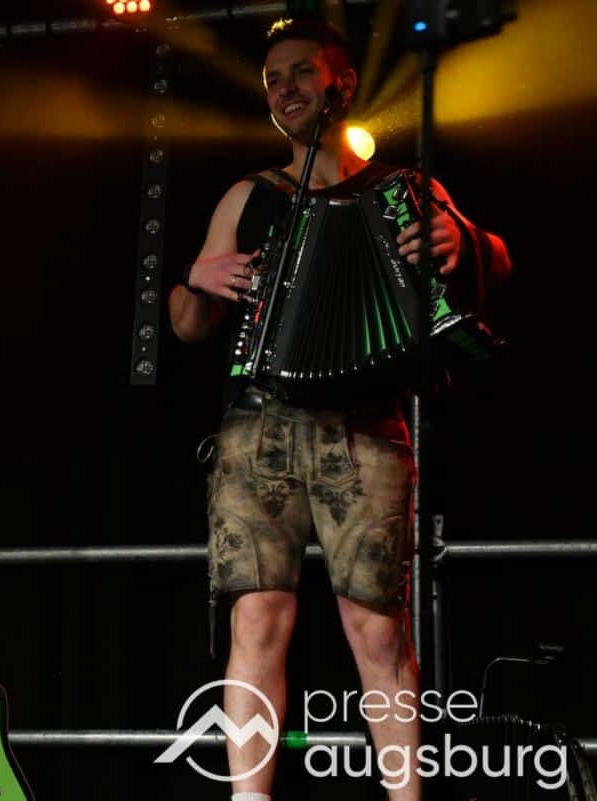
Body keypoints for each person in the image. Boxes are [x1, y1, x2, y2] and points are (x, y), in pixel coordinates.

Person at [168, 19, 510, 801]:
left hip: (368, 426)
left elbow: (498, 259)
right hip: (260, 426)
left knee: (377, 629)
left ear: (341, 84)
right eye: (272, 80)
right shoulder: (250, 195)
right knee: (257, 622)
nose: (284, 89)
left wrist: (465, 241)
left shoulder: (402, 187)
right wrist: (196, 278)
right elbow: (188, 324)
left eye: (300, 72)